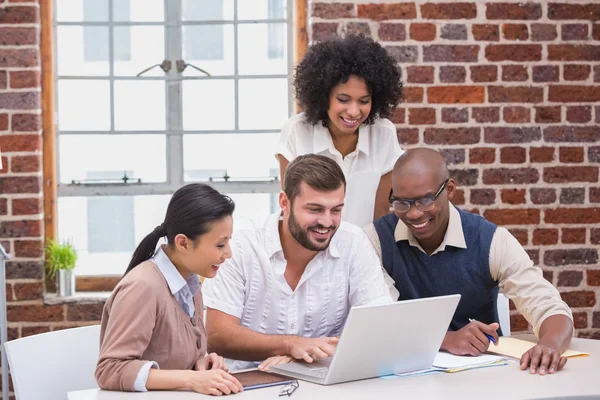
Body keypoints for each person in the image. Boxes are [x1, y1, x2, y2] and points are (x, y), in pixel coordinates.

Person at [364, 148, 574, 376]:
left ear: (450, 190)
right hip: (404, 378)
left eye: (425, 200)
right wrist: (446, 340)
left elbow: (548, 306)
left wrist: (549, 345)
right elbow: (381, 322)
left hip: (484, 378)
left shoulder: (490, 240)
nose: (413, 214)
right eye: (401, 203)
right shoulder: (374, 240)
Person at [203, 154, 393, 371]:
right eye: (315, 209)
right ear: (285, 202)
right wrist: (290, 345)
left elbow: (378, 328)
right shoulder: (241, 243)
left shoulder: (354, 242)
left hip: (322, 381)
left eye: (336, 210)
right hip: (245, 382)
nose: (327, 222)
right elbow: (218, 336)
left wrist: (304, 357)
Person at [95, 183, 243, 395]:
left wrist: (201, 363)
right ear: (183, 243)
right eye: (220, 245)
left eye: (229, 242)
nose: (228, 253)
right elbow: (110, 370)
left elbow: (169, 356)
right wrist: (192, 378)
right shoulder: (142, 287)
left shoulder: (191, 283)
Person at [276, 34, 404, 228]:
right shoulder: (297, 131)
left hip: (364, 250)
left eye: (363, 101)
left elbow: (380, 215)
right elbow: (290, 212)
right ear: (324, 96)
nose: (354, 111)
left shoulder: (383, 134)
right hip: (308, 250)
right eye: (343, 100)